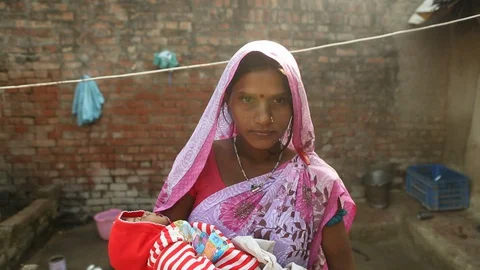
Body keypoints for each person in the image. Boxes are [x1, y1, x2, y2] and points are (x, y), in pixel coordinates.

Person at [154, 40, 356, 270]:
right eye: (247, 99)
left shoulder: (318, 183)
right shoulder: (198, 165)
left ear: (295, 106)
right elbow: (161, 246)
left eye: (279, 100)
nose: (263, 118)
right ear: (228, 101)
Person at [108, 210, 259, 270]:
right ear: (141, 238)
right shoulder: (166, 252)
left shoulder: (172, 239)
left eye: (143, 213)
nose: (147, 213)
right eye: (140, 219)